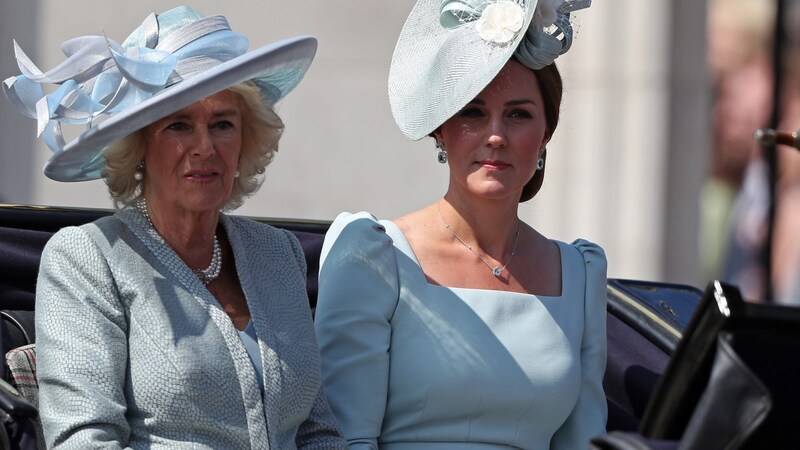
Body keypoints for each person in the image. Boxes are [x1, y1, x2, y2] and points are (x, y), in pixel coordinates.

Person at [3, 6, 347, 449]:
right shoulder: (87, 258)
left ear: (246, 139)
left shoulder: (278, 253)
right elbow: (85, 441)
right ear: (140, 144)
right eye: (179, 125)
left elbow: (318, 431)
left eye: (222, 124)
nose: (204, 148)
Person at [313, 0, 606, 449]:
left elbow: (585, 441)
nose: (495, 134)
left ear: (546, 134)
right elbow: (341, 437)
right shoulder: (372, 254)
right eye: (472, 111)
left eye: (519, 114)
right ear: (441, 130)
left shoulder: (580, 273)